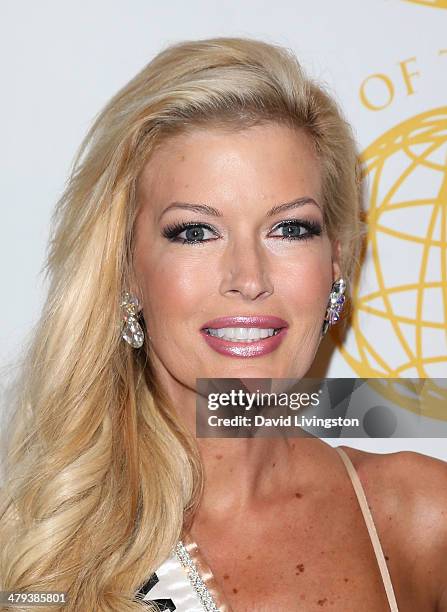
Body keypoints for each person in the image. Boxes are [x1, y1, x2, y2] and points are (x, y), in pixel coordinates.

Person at [1, 36, 446, 612]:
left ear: (334, 265)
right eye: (195, 232)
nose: (248, 276)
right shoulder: (37, 543)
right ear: (127, 270)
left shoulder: (420, 517)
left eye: (289, 229)